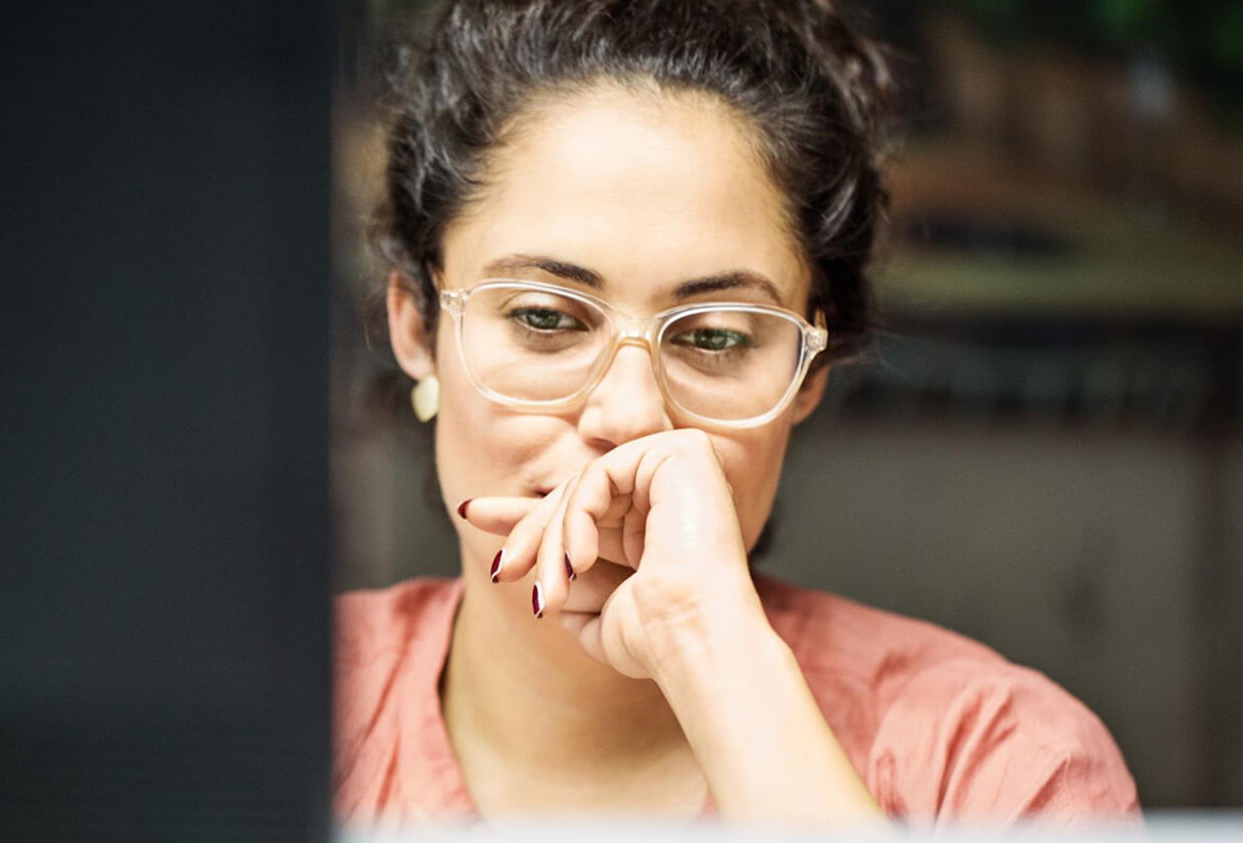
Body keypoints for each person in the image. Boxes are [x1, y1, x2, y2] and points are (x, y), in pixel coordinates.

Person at [336, 0, 1138, 828]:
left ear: (809, 371)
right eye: (546, 317)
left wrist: (708, 652)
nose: (631, 416)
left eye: (715, 337)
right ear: (416, 324)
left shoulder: (997, 763)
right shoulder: (261, 706)